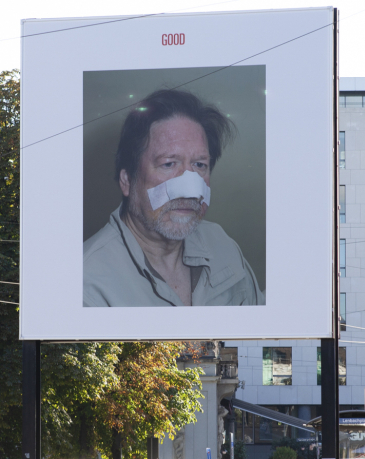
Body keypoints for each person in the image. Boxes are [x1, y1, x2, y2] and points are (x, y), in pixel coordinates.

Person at [83, 88, 263, 307]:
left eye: (199, 165)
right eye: (168, 164)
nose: (190, 190)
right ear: (127, 181)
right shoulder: (88, 283)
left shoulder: (222, 244)